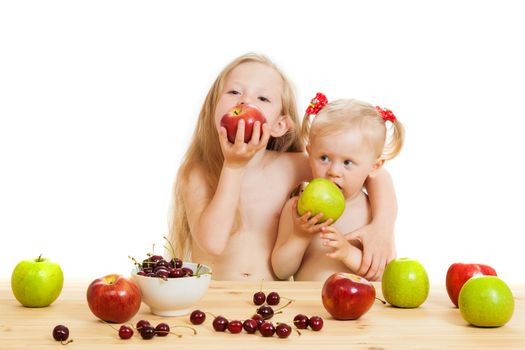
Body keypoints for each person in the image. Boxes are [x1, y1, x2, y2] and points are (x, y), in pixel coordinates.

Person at [168, 53, 397, 280]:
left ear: (279, 124)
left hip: (272, 302)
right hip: (217, 301)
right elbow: (213, 243)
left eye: (263, 99)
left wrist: (382, 228)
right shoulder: (197, 170)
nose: (245, 102)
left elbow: (374, 175)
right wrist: (233, 166)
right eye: (234, 92)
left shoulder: (291, 165)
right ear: (213, 109)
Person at [271, 97, 405, 281]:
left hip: (360, 307)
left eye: (347, 162)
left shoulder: (373, 213)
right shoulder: (297, 209)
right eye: (324, 158)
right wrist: (299, 236)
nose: (334, 171)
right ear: (309, 155)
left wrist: (347, 253)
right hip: (307, 306)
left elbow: (382, 274)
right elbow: (281, 271)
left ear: (374, 166)